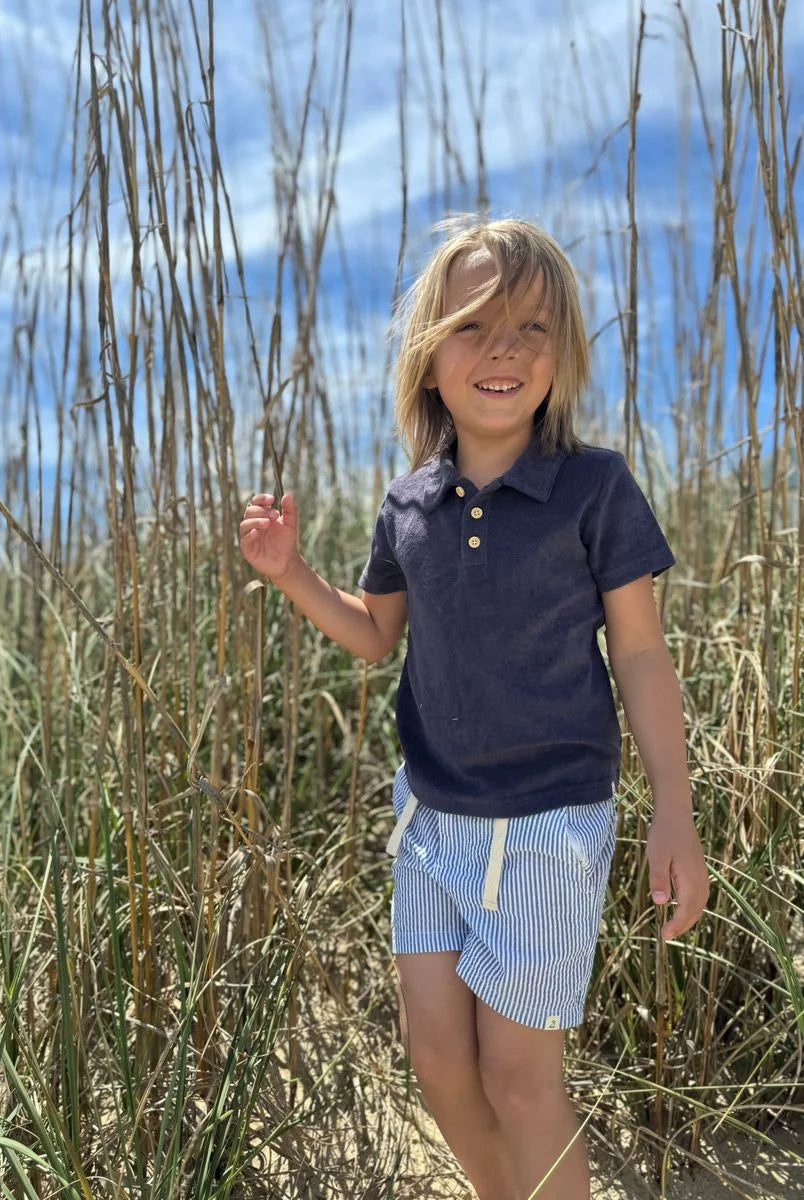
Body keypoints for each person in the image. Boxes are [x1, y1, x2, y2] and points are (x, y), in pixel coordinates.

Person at [237, 217, 709, 1200]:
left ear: (563, 354)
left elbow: (642, 652)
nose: (504, 349)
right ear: (428, 358)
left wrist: (676, 809)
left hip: (547, 828)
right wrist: (291, 576)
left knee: (520, 1079)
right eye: (474, 325)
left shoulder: (594, 487)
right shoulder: (409, 504)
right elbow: (376, 633)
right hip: (431, 823)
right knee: (440, 1067)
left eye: (533, 328)